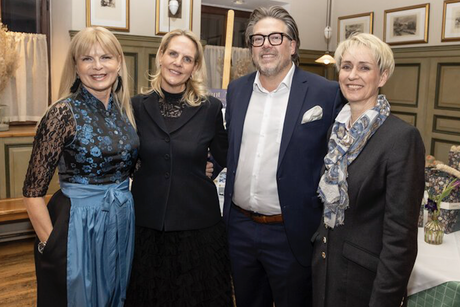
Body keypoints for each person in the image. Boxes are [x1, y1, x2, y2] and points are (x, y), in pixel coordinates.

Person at [223, 6, 345, 307]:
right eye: (258, 38)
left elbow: (344, 157)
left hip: (291, 234)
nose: (266, 44)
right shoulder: (237, 90)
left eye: (276, 37)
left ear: (292, 45)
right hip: (240, 229)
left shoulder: (326, 93)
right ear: (251, 47)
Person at [22, 27, 139, 306]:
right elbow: (32, 192)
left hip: (121, 218)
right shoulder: (62, 113)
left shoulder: (125, 112)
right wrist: (52, 245)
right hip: (79, 225)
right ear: (76, 66)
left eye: (106, 57)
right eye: (87, 59)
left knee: (117, 293)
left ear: (119, 63)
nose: (98, 66)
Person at [312, 33, 425, 307]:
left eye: (364, 67)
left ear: (382, 77)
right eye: (347, 66)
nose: (353, 75)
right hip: (325, 270)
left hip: (364, 284)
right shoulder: (336, 131)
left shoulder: (401, 138)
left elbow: (401, 239)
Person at [125, 29, 231, 307]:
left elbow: (227, 153)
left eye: (187, 59)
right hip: (148, 225)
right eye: (173, 54)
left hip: (198, 226)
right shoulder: (135, 106)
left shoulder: (210, 108)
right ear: (160, 56)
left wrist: (211, 166)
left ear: (194, 67)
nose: (177, 63)